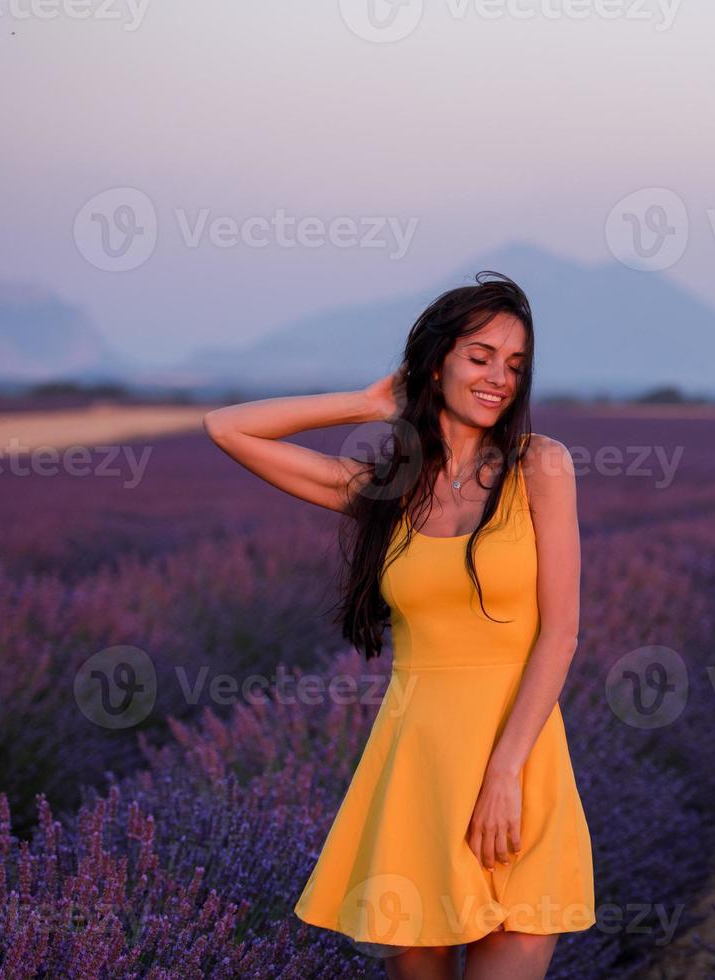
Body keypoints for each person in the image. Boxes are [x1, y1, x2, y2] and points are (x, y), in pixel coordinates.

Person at [203, 272, 595, 980]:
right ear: (436, 360)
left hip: (519, 769)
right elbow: (226, 427)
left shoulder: (541, 467)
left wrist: (505, 772)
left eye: (515, 364)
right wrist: (363, 402)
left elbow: (560, 632)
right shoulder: (385, 492)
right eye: (480, 356)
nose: (499, 378)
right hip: (416, 775)